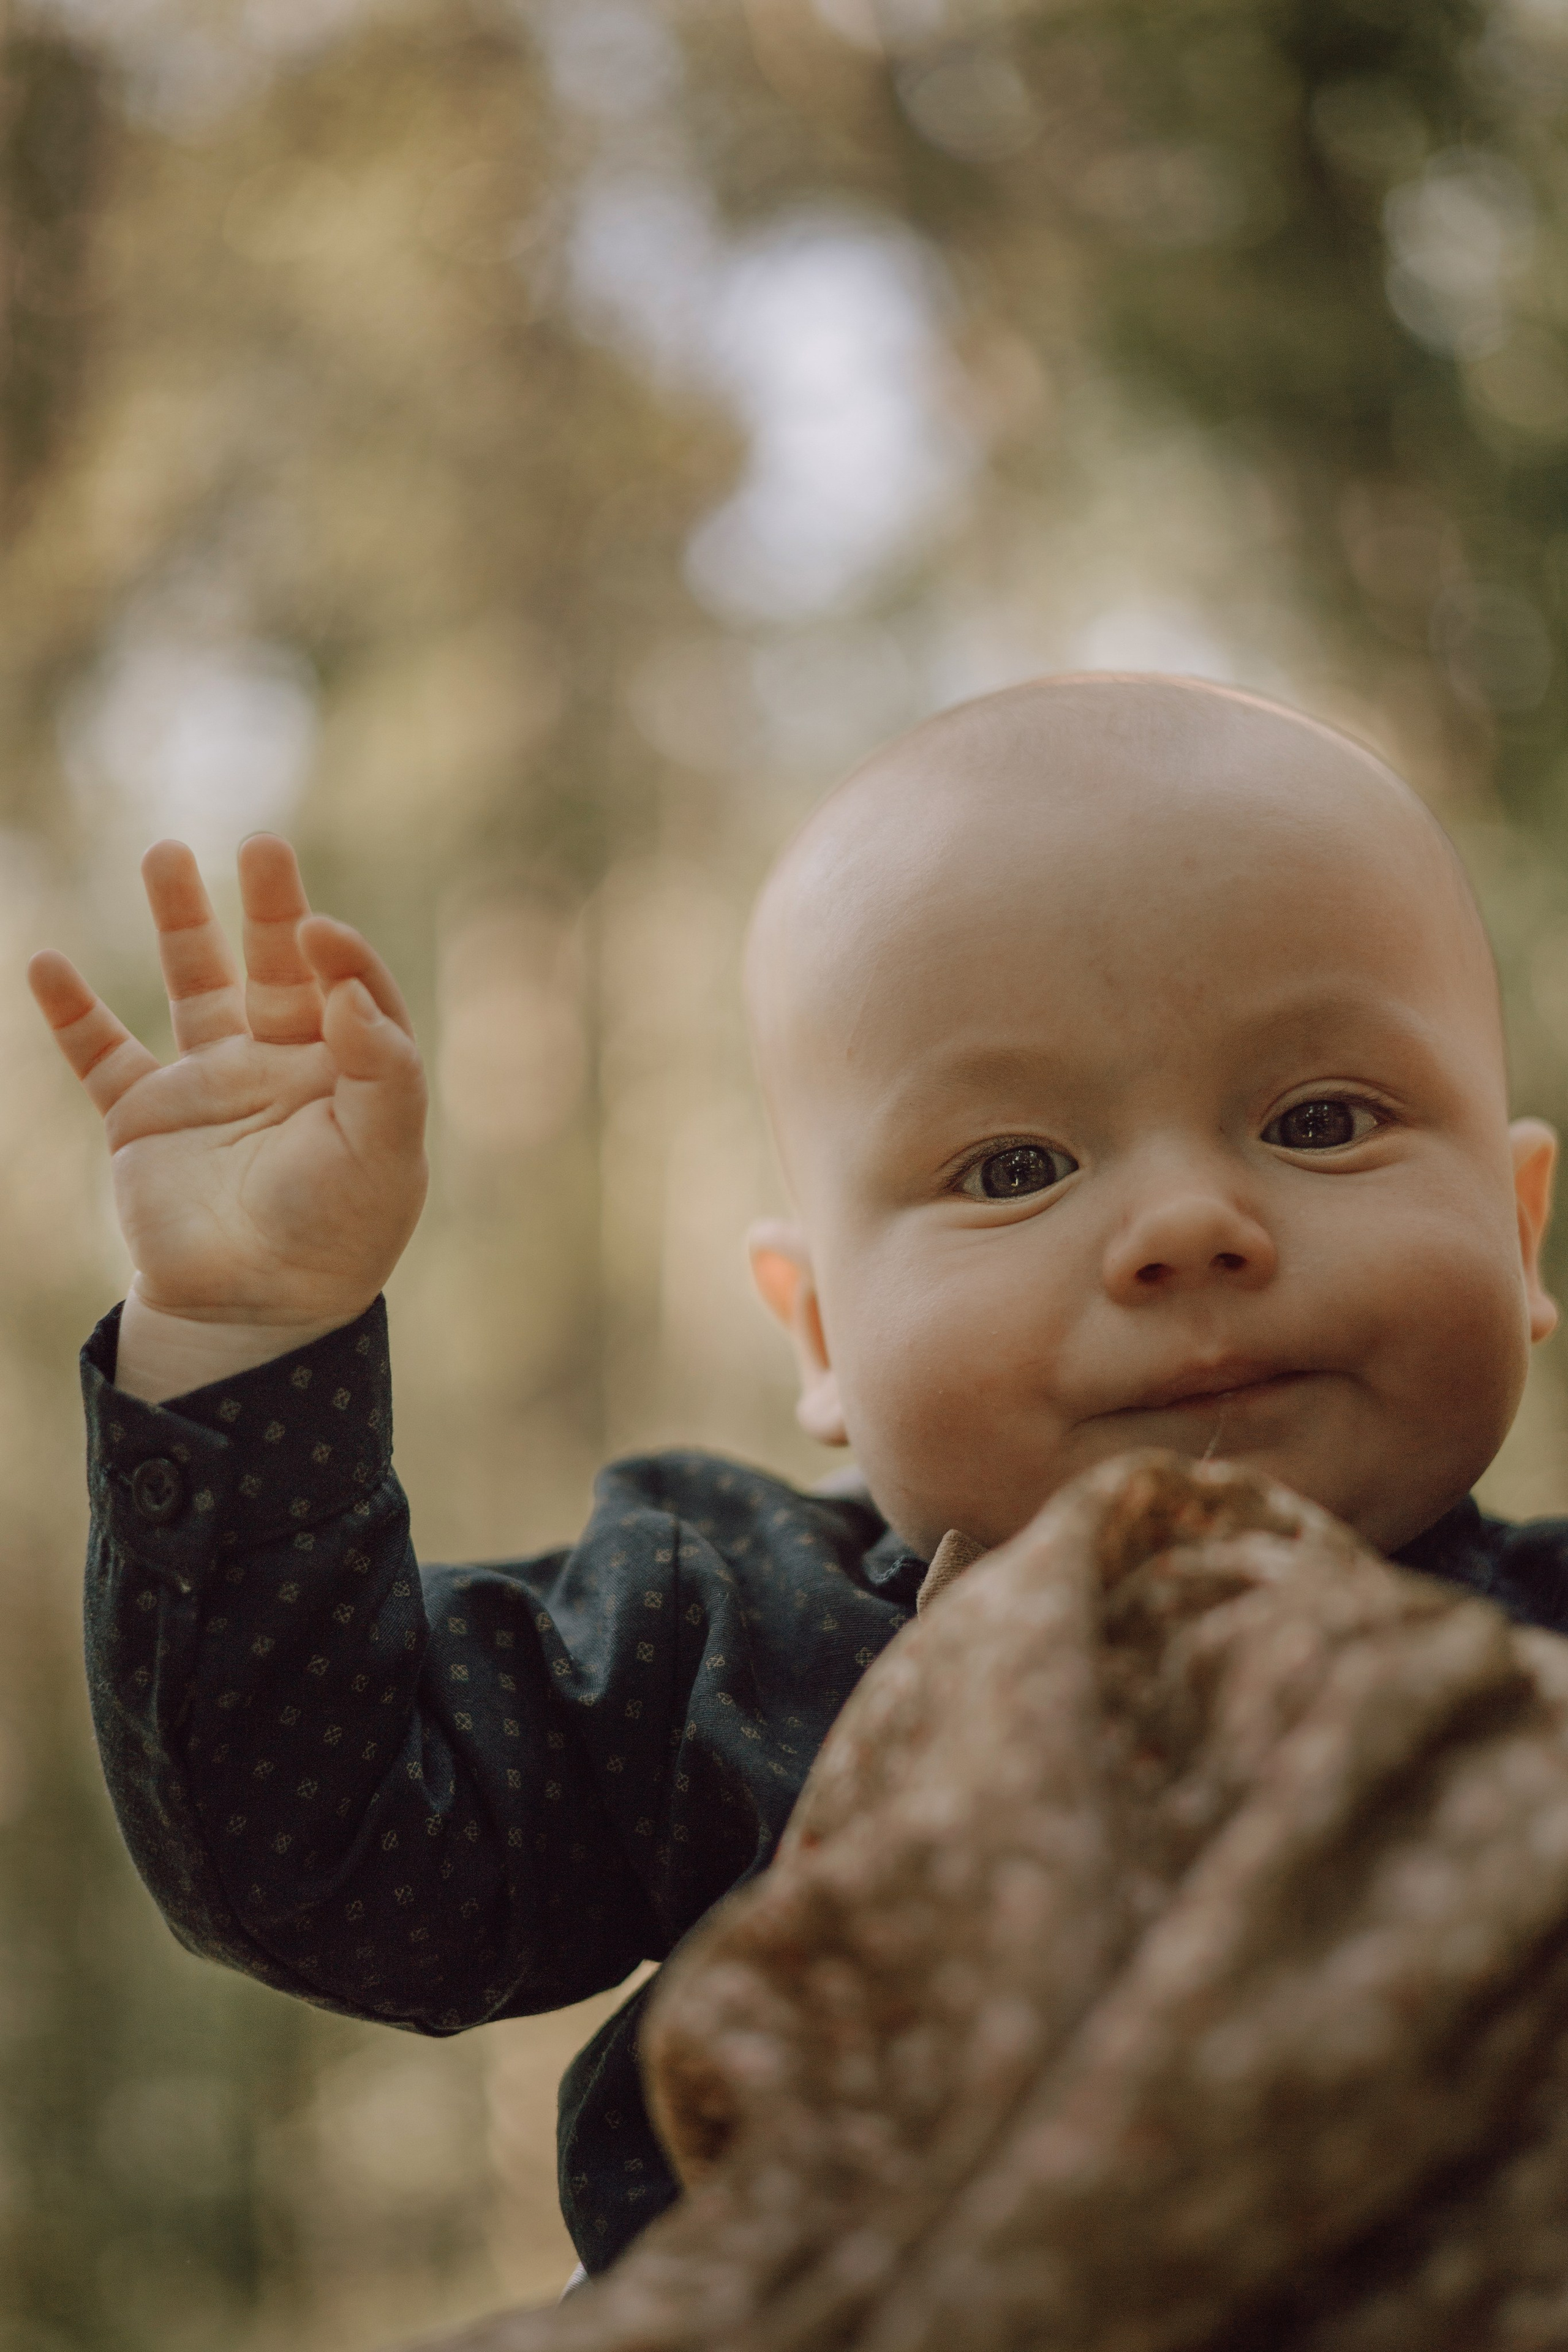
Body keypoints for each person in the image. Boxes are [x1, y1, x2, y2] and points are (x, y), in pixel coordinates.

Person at [28, 673, 1568, 2279]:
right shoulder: (720, 1640)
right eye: (1015, 1166)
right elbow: (328, 1850)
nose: (1187, 1225)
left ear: (1519, 1232)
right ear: (822, 1330)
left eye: (1322, 1121)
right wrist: (248, 1339)